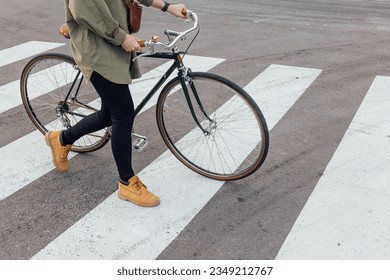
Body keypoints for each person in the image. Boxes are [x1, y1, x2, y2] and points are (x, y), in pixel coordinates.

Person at [45, 0, 187, 207]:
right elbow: (85, 8)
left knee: (109, 114)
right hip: (96, 49)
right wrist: (121, 38)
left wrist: (167, 6)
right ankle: (126, 182)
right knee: (123, 114)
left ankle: (62, 139)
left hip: (112, 42)